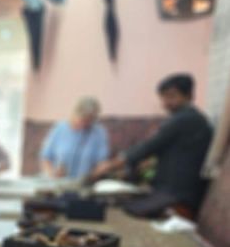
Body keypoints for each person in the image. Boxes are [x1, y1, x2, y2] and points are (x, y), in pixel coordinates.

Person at [91, 73, 213, 217]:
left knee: (120, 208)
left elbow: (147, 147)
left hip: (179, 198)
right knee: (119, 202)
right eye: (163, 97)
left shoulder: (185, 119)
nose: (166, 102)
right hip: (170, 192)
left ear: (189, 96)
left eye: (172, 96)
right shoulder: (191, 119)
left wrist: (110, 165)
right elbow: (169, 151)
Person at [40, 97, 109, 179]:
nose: (84, 125)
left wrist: (94, 174)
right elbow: (46, 157)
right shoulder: (60, 128)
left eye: (89, 122)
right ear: (75, 114)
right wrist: (52, 173)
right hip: (58, 182)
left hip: (84, 183)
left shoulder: (98, 132)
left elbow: (101, 162)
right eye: (82, 120)